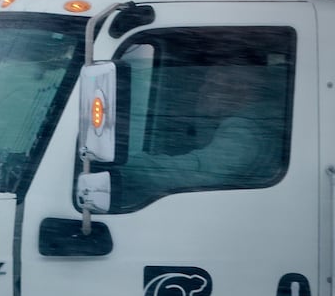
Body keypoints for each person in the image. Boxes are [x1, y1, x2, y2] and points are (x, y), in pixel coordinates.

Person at [120, 63, 285, 196]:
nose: (202, 90)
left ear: (240, 90)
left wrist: (122, 163)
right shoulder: (259, 121)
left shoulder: (246, 130)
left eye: (212, 85)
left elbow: (197, 172)